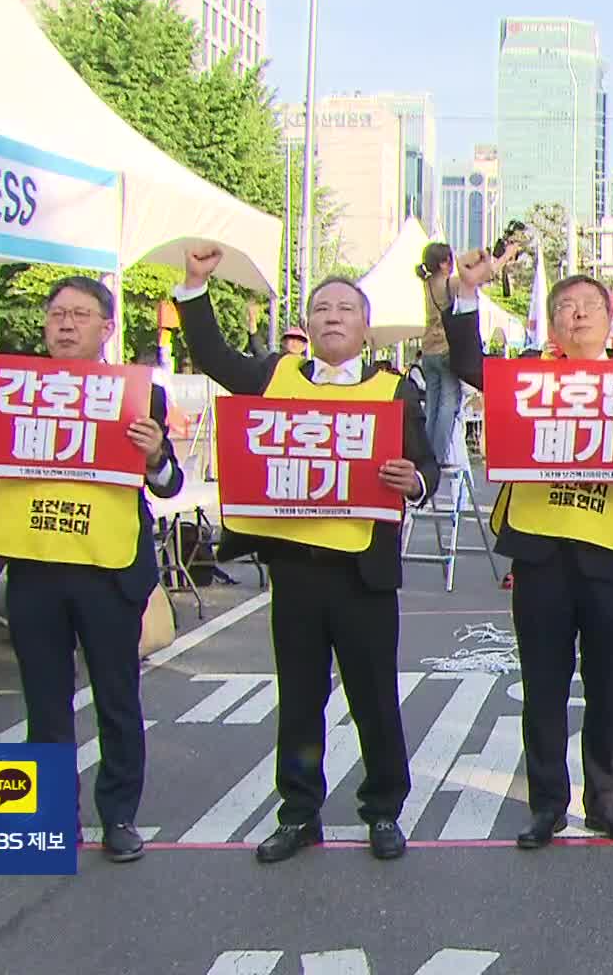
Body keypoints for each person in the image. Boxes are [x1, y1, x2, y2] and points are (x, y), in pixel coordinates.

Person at [174, 247, 437, 863]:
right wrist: (194, 285)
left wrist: (413, 482)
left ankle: (383, 809)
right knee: (298, 697)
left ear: (365, 327)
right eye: (321, 308)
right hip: (295, 570)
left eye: (346, 308)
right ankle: (298, 812)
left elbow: (427, 466)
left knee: (373, 696)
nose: (332, 317)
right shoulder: (276, 376)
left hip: (362, 572)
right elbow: (213, 356)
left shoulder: (394, 390)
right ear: (309, 324)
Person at [0, 280, 183, 863]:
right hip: (33, 563)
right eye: (57, 314)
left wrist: (156, 454)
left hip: (108, 568)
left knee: (117, 697)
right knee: (45, 699)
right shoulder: (13, 387)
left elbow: (169, 482)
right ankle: (49, 816)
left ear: (106, 329)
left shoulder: (140, 396)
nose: (65, 325)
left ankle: (119, 817)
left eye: (80, 315)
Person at [443, 254, 613, 848]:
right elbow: (471, 364)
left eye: (589, 308)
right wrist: (467, 296)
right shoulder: (529, 375)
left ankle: (605, 799)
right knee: (543, 684)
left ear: (610, 321)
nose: (577, 317)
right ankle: (546, 804)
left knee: (607, 684)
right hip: (542, 554)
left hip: (611, 555)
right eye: (565, 309)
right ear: (552, 325)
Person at [416, 242, 466, 466]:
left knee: (432, 403)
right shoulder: (449, 283)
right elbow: (475, 279)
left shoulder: (426, 283)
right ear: (445, 262)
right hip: (447, 348)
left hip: (428, 350)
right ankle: (438, 455)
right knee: (448, 403)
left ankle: (426, 454)